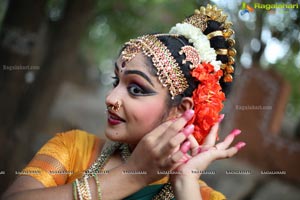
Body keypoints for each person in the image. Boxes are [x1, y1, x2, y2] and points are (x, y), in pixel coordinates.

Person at [3, 4, 245, 200]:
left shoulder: (203, 196)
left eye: (136, 89)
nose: (111, 99)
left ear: (181, 111)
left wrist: (185, 182)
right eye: (115, 80)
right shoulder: (73, 148)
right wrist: (132, 176)